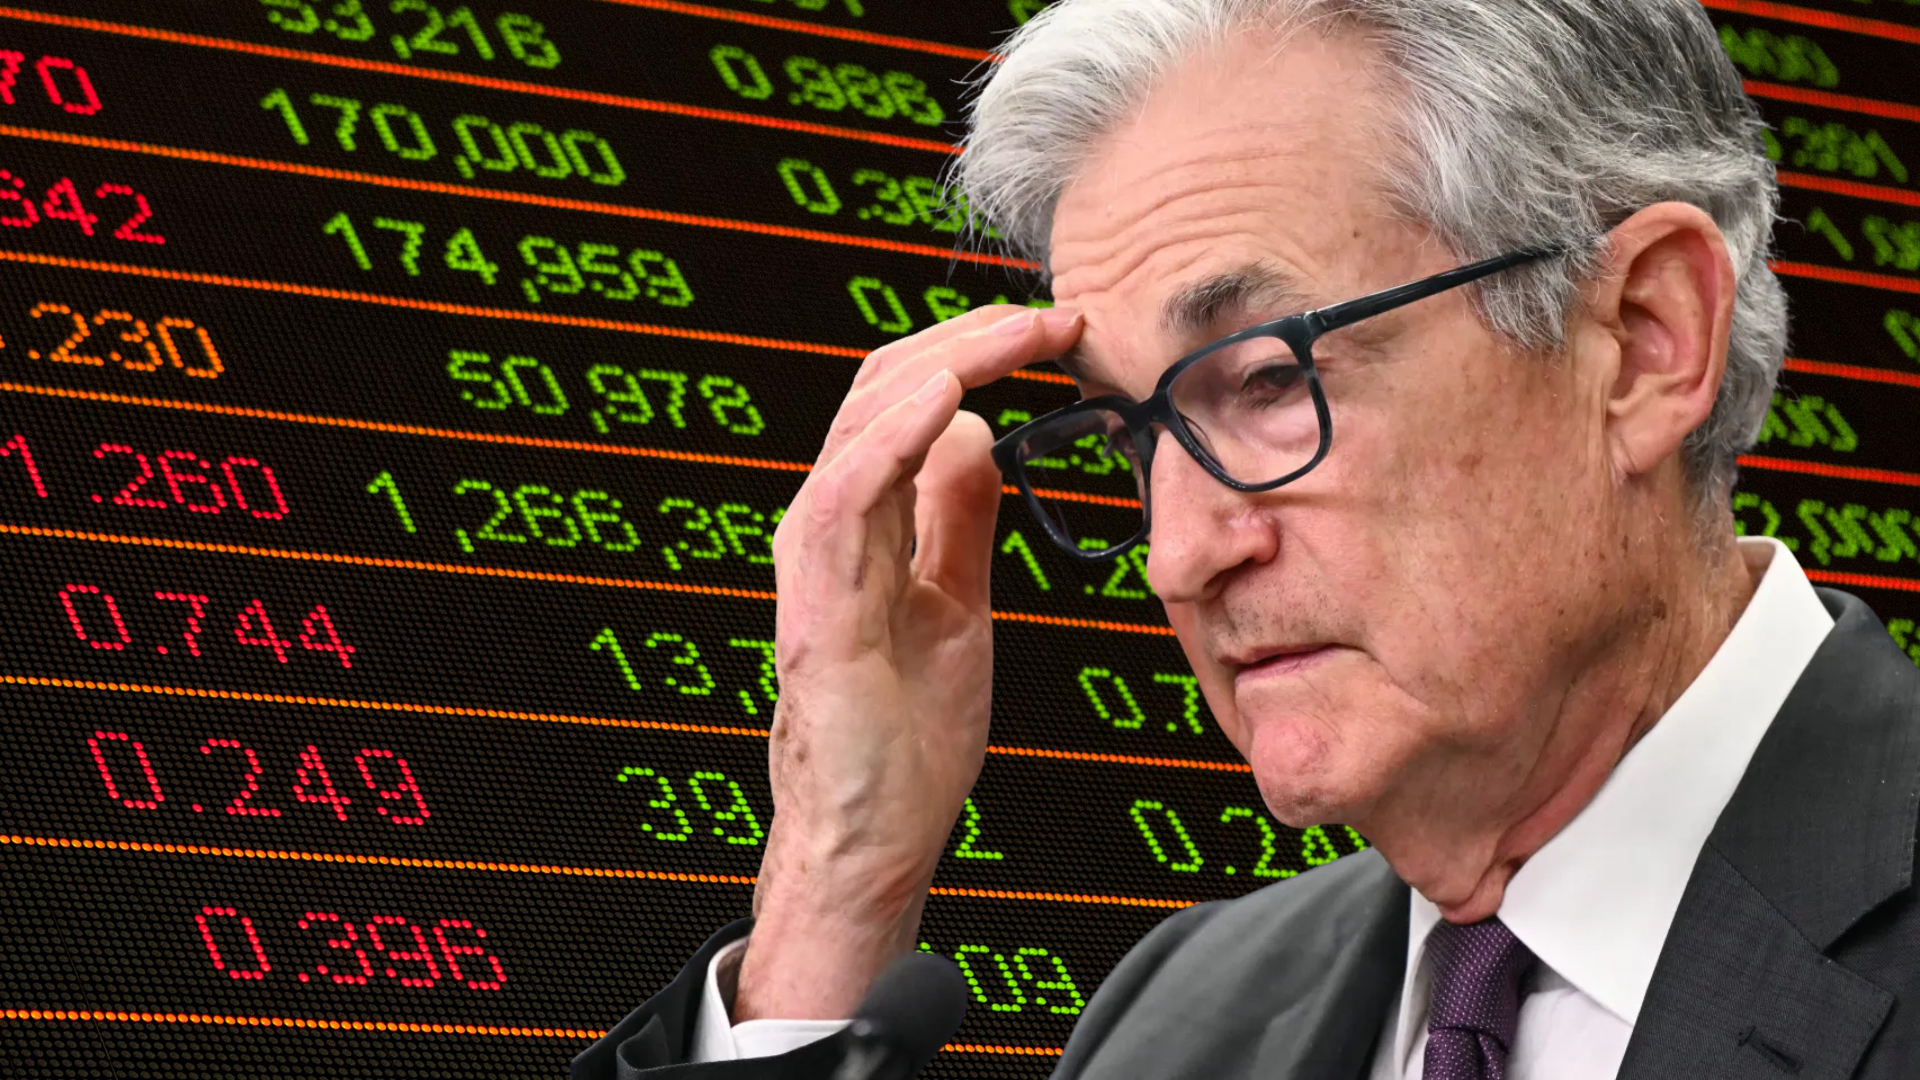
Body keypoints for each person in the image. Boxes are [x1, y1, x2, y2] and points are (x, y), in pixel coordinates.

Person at [573, 0, 1920, 1076]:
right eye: (1128, 436)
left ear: (1642, 340)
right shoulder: (1179, 1020)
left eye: (1269, 380)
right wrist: (837, 882)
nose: (1177, 556)